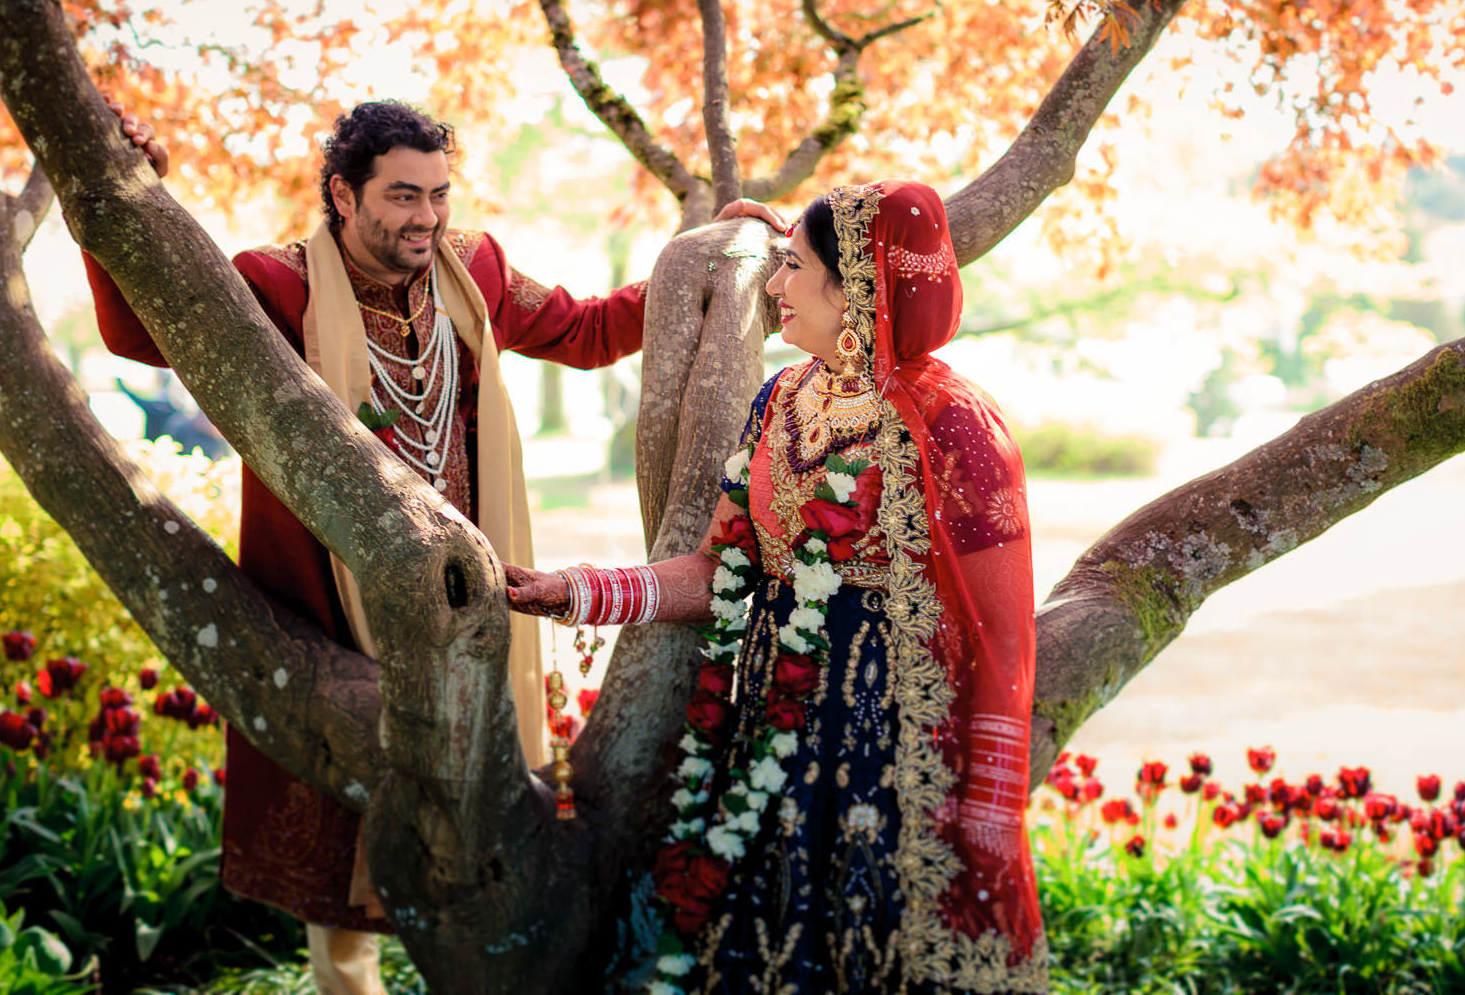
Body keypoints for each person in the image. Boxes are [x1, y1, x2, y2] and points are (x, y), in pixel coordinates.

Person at [86, 100, 782, 995]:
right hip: (332, 600)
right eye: (403, 196)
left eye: (439, 195)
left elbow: (590, 328)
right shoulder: (276, 284)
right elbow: (139, 331)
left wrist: (703, 254)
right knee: (345, 843)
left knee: (479, 820)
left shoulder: (475, 271)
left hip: (469, 602)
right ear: (343, 193)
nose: (427, 217)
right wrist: (107, 206)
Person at [507, 180, 1047, 993]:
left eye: (793, 267)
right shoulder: (778, 401)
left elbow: (1005, 634)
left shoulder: (953, 422)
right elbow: (718, 570)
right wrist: (575, 591)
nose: (772, 286)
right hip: (769, 725)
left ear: (855, 284)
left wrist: (991, 808)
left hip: (893, 750)